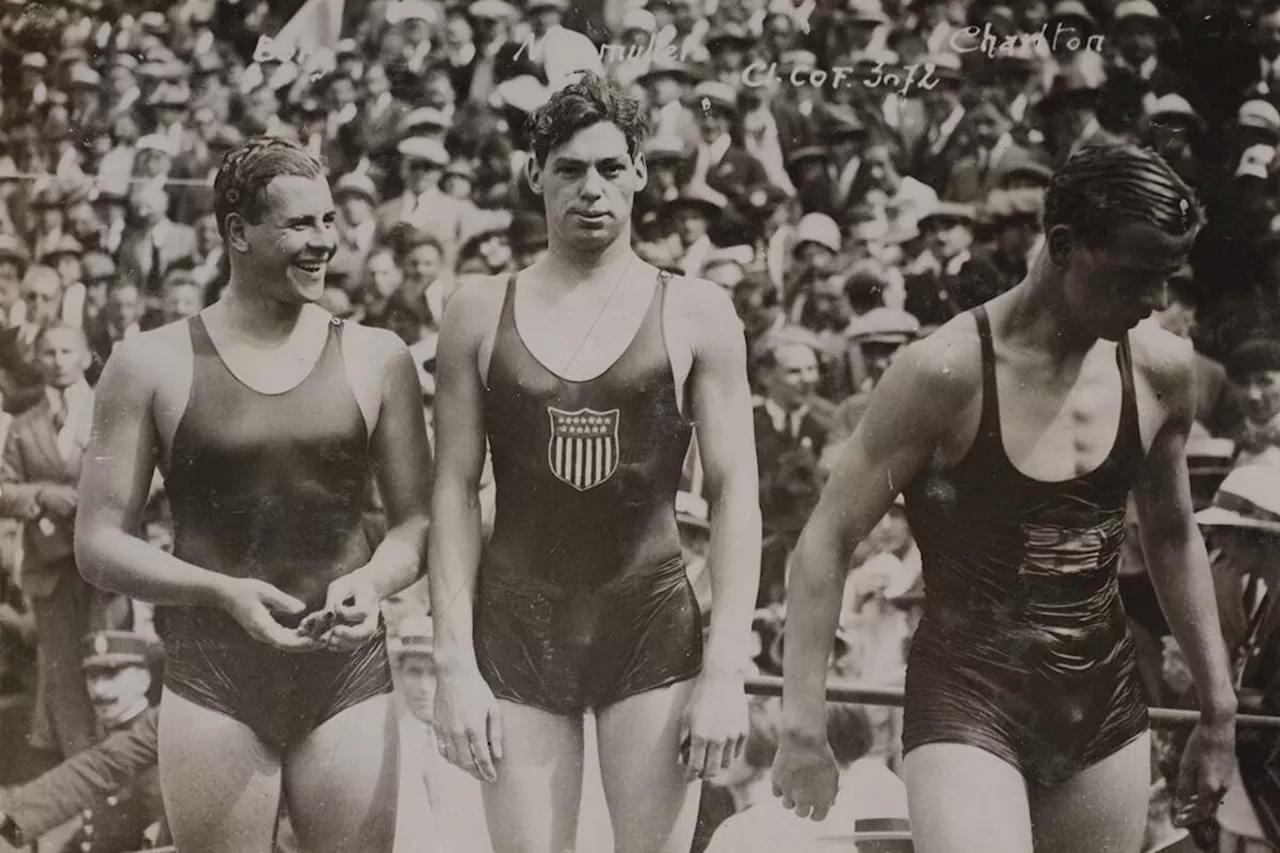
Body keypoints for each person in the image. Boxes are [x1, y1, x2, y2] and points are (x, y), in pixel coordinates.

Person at [771, 144, 1239, 853]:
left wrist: (1218, 710)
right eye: (1137, 276)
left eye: (1167, 277)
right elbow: (827, 538)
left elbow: (1171, 535)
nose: (1157, 302)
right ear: (1062, 246)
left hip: (1102, 701)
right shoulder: (943, 371)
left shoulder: (1161, 369)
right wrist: (802, 724)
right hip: (967, 696)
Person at [429, 72, 760, 853]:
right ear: (533, 172)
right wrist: (451, 662)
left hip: (648, 619)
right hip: (518, 619)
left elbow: (737, 490)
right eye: (571, 168)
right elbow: (452, 488)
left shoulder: (697, 310)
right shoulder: (477, 309)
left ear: (641, 173)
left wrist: (727, 670)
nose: (593, 190)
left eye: (612, 168)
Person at [75, 136, 432, 853]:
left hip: (346, 675)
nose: (324, 243)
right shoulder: (149, 361)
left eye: (329, 221)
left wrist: (372, 578)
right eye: (300, 225)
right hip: (214, 675)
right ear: (236, 232)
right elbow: (97, 542)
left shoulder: (378, 356)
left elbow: (417, 522)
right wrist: (220, 591)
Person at [0, 630, 166, 853]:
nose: (99, 690)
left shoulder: (164, 731)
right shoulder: (97, 735)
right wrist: (7, 823)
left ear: (143, 680)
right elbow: (92, 772)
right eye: (92, 677)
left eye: (111, 675)